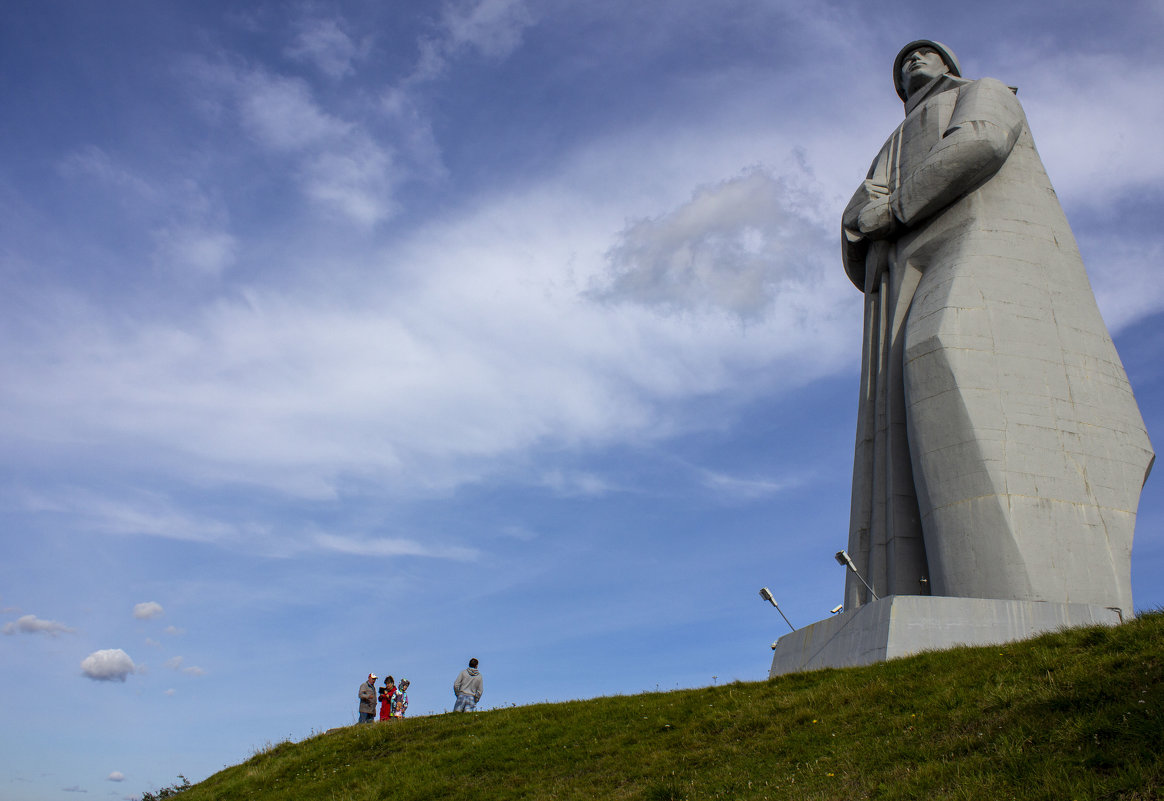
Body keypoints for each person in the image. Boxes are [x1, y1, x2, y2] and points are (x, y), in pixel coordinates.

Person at [840, 41, 1153, 616]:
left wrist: (898, 207)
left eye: (925, 53)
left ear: (948, 64)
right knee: (902, 404)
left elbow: (980, 141)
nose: (913, 60)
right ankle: (913, 594)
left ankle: (1024, 597)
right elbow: (858, 211)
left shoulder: (981, 92)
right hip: (904, 260)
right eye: (903, 60)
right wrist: (868, 219)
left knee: (943, 349)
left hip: (976, 239)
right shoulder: (890, 144)